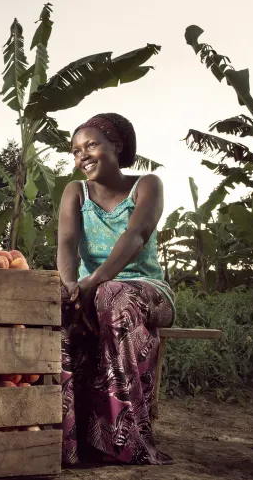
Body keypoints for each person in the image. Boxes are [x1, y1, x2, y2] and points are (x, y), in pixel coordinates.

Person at [57, 113, 176, 466]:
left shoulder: (147, 185)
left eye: (91, 144)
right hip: (91, 292)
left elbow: (136, 236)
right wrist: (70, 287)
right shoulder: (75, 192)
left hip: (145, 291)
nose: (82, 155)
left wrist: (94, 282)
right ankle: (73, 441)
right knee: (56, 304)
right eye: (76, 151)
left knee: (113, 294)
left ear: (117, 146)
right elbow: (65, 243)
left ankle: (127, 439)